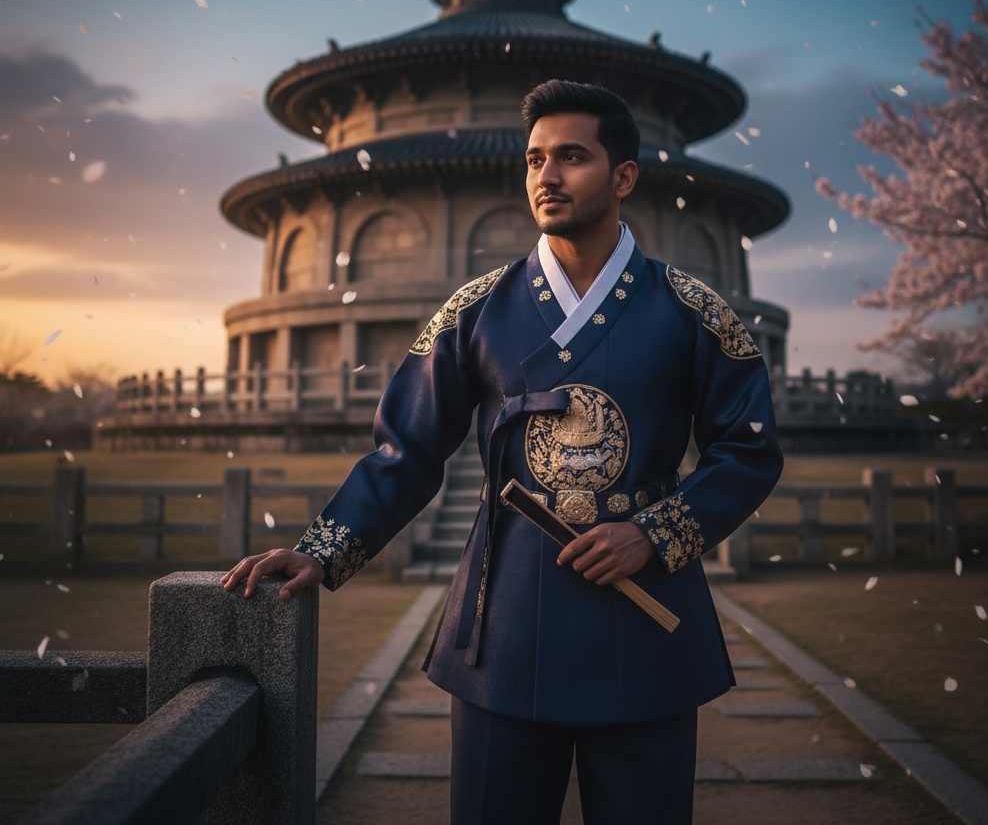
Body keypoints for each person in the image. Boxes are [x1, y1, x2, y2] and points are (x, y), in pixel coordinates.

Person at [222, 80, 783, 824]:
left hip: (647, 623)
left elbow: (747, 451)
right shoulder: (474, 310)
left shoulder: (693, 311)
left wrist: (653, 534)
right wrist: (324, 551)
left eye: (572, 157)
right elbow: (405, 451)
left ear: (622, 177)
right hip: (506, 620)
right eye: (534, 159)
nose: (546, 176)